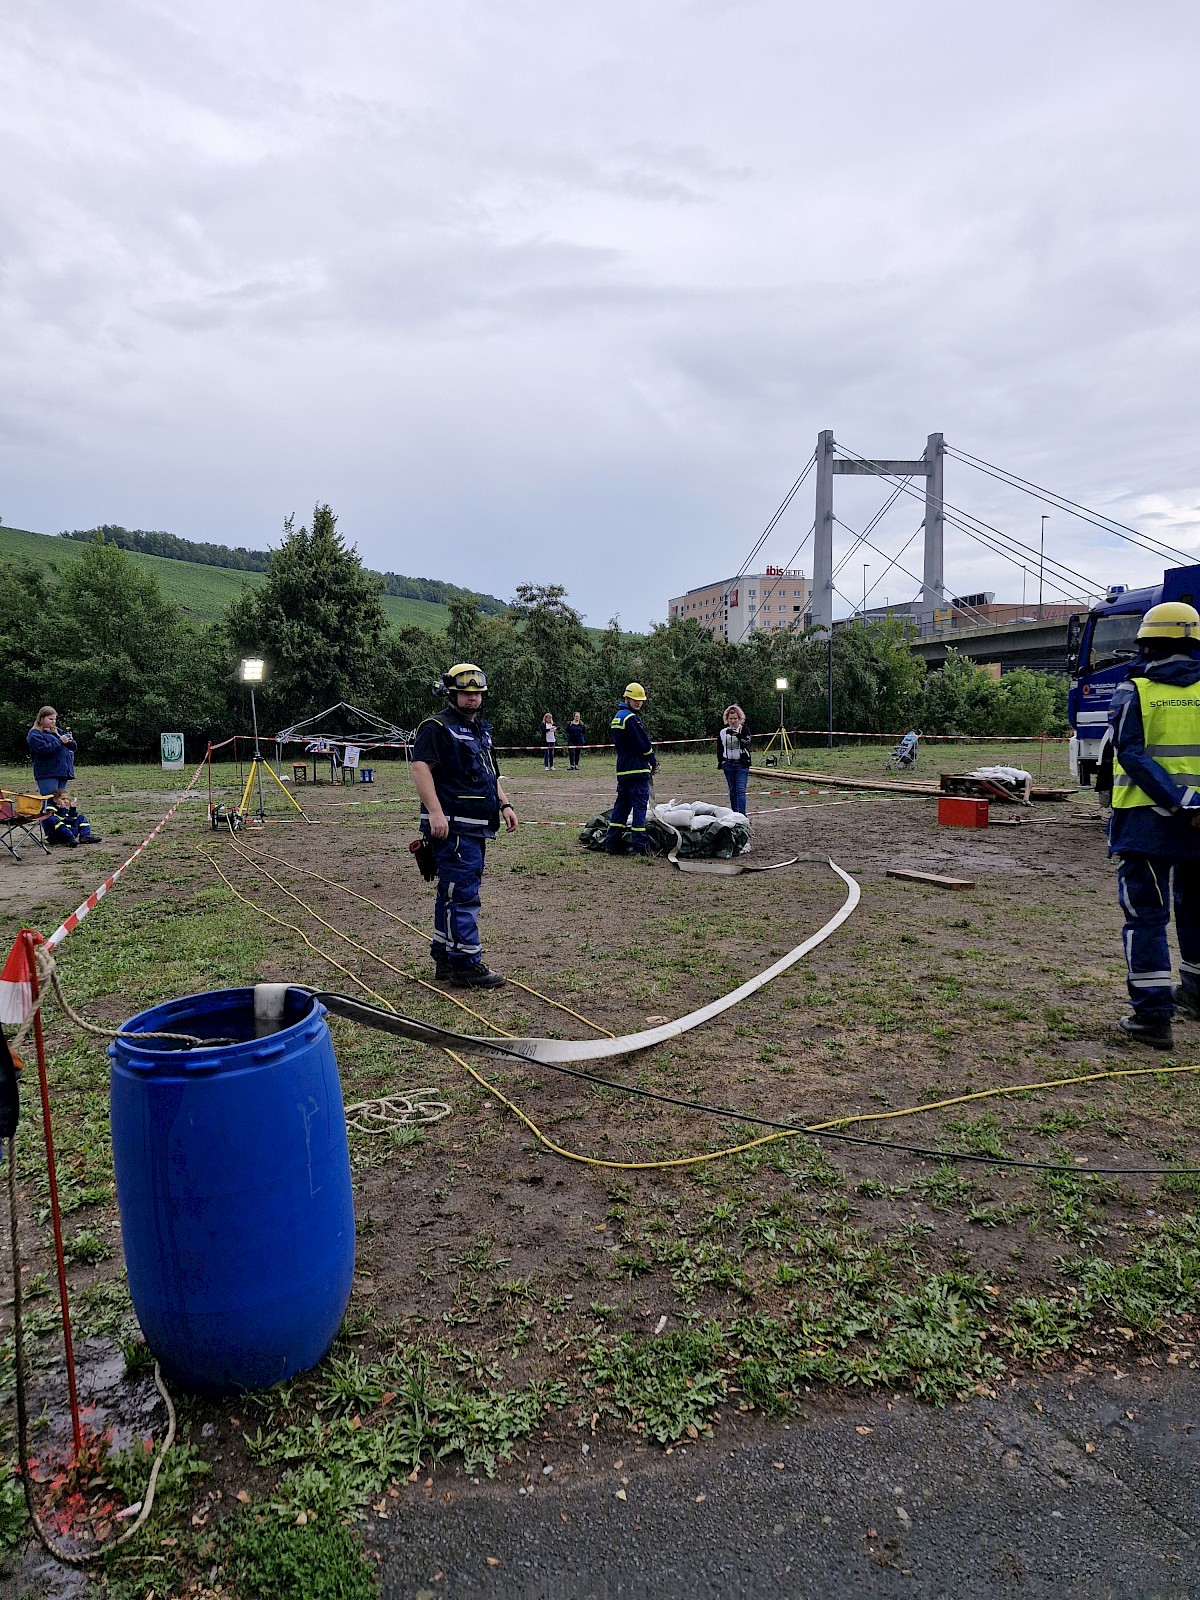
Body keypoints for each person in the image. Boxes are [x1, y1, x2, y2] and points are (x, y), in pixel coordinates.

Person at [1107, 601, 1200, 1049]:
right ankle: (1197, 993)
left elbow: (1131, 753)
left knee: (1146, 917)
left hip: (1147, 824)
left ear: (1147, 641)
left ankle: (1153, 1017)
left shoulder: (1135, 690)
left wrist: (1179, 800)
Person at [411, 663, 518, 989]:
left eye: (477, 693)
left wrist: (505, 803)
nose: (472, 699)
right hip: (454, 827)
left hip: (475, 826)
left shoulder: (480, 731)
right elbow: (420, 769)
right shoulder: (436, 727)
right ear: (451, 692)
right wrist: (436, 813)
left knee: (450, 892)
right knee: (464, 895)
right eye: (465, 693)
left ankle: (444, 955)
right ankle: (466, 964)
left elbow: (489, 774)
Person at [605, 682, 657, 855]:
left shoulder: (617, 717)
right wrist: (653, 761)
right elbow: (643, 744)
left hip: (623, 770)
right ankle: (640, 848)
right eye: (635, 700)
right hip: (637, 769)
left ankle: (611, 844)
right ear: (626, 698)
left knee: (621, 807)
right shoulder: (631, 719)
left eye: (640, 700)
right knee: (640, 809)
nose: (638, 703)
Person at [27, 707, 77, 796]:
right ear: (41, 718)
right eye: (50, 719)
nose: (53, 721)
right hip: (47, 773)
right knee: (49, 802)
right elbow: (42, 750)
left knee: (60, 802)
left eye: (54, 719)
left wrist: (70, 741)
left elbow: (73, 748)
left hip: (62, 772)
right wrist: (60, 741)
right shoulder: (34, 734)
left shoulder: (57, 732)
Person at [717, 704, 752, 814]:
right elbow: (719, 748)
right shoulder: (723, 732)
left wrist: (738, 736)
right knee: (732, 791)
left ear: (739, 718)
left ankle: (742, 815)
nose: (733, 721)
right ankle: (734, 814)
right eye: (730, 719)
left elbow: (748, 743)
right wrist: (721, 761)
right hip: (728, 764)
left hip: (741, 764)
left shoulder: (744, 729)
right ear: (727, 719)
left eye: (735, 718)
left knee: (740, 790)